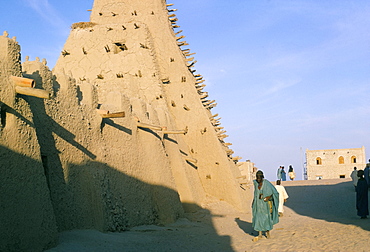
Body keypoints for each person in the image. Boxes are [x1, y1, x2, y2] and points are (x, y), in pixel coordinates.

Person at [252, 170, 279, 241]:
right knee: (258, 218)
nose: (258, 179)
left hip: (265, 205)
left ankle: (267, 233)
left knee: (266, 218)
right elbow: (255, 193)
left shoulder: (266, 183)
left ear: (262, 177)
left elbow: (275, 193)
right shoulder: (255, 183)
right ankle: (260, 234)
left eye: (259, 178)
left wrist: (268, 197)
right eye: (257, 178)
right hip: (257, 204)